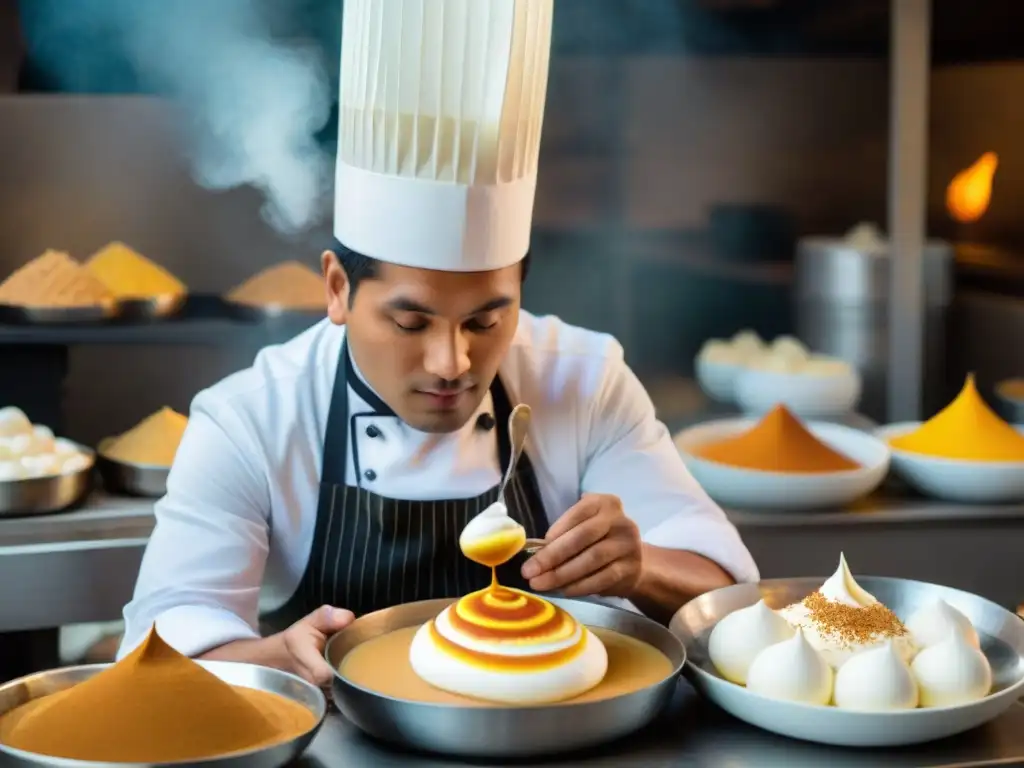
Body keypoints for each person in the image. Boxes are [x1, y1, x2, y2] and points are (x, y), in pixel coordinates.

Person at [118, 0, 759, 686]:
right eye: (410, 323)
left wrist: (640, 567)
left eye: (486, 321)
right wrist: (282, 656)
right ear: (337, 289)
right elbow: (158, 658)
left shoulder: (584, 379)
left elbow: (730, 600)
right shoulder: (251, 418)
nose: (452, 363)